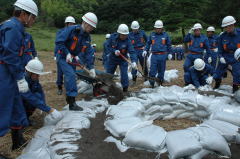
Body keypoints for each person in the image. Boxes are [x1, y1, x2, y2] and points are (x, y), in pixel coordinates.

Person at [0, 0, 38, 154]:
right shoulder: (13, 28)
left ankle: (17, 141)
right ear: (23, 14)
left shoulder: (16, 27)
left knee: (16, 107)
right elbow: (9, 56)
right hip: (4, 73)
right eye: (33, 17)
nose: (33, 21)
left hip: (11, 71)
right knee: (3, 109)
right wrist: (19, 77)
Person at [55, 12, 97, 111]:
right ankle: (72, 103)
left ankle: (69, 97)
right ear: (85, 23)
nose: (91, 29)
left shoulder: (87, 36)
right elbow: (59, 41)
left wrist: (91, 67)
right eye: (91, 27)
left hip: (72, 57)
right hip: (63, 56)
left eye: (92, 28)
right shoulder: (71, 30)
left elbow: (88, 52)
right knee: (71, 75)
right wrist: (67, 53)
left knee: (71, 77)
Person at [21, 59, 63, 126]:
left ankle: (26, 117)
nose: (38, 76)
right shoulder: (22, 82)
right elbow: (29, 97)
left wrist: (43, 105)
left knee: (37, 96)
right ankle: (19, 122)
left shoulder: (34, 79)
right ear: (29, 72)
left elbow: (40, 91)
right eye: (37, 74)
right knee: (31, 101)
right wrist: (48, 109)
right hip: (15, 103)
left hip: (25, 100)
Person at [106, 24, 137, 93]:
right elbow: (108, 46)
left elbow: (132, 52)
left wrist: (134, 61)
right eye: (122, 35)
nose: (124, 36)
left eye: (125, 35)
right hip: (112, 59)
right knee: (109, 74)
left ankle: (125, 90)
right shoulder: (112, 37)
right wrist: (114, 51)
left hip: (123, 60)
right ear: (119, 33)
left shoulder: (128, 40)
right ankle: (107, 88)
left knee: (124, 75)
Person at [213, 16, 240, 93]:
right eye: (225, 27)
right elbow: (220, 50)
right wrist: (221, 57)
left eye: (228, 27)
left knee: (238, 73)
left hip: (237, 57)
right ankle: (217, 84)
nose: (226, 29)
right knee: (217, 72)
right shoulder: (222, 36)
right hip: (226, 56)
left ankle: (236, 89)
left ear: (233, 25)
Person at [143, 20, 172, 88]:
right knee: (152, 71)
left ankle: (160, 83)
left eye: (159, 28)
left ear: (162, 28)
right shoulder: (152, 35)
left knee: (161, 71)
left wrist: (170, 53)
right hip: (154, 55)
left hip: (163, 55)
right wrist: (145, 50)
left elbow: (169, 45)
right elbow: (148, 43)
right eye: (157, 28)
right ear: (155, 28)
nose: (158, 29)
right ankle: (152, 84)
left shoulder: (165, 35)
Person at [54, 16, 76, 95]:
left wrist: (76, 54)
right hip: (61, 55)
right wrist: (55, 54)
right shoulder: (61, 32)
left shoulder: (74, 33)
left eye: (73, 24)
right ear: (66, 24)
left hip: (71, 56)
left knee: (71, 73)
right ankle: (59, 87)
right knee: (60, 73)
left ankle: (68, 88)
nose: (72, 25)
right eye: (70, 24)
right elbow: (58, 44)